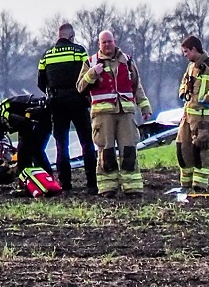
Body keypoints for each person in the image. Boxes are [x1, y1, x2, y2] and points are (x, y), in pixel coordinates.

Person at [77, 30, 152, 198]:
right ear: (99, 45)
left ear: (115, 41)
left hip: (125, 113)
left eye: (109, 42)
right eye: (103, 43)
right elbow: (80, 87)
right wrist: (92, 74)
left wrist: (145, 107)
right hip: (103, 116)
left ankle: (132, 187)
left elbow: (136, 86)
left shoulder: (128, 61)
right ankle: (107, 188)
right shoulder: (90, 62)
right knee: (106, 152)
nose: (107, 45)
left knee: (129, 150)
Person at [37, 23, 98, 195]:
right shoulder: (79, 52)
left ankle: (65, 184)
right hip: (78, 101)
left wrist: (53, 92)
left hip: (56, 103)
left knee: (61, 144)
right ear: (71, 36)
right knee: (86, 142)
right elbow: (87, 76)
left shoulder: (46, 55)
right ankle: (92, 183)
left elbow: (40, 82)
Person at [177, 35, 209, 192]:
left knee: (201, 151)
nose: (185, 55)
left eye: (186, 51)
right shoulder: (191, 67)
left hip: (202, 118)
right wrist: (182, 93)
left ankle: (199, 187)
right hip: (187, 116)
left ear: (194, 49)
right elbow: (184, 81)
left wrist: (208, 98)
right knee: (182, 149)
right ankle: (185, 186)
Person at [0, 94, 53, 175]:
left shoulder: (4, 118)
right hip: (40, 117)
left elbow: (25, 124)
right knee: (28, 152)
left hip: (43, 117)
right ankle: (34, 177)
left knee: (34, 151)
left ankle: (43, 176)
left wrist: (24, 143)